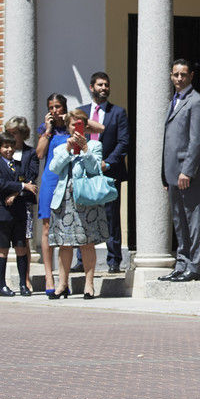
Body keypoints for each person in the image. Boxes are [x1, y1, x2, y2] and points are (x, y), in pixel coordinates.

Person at [47, 109, 109, 300]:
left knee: (87, 243)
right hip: (64, 199)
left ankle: (89, 285)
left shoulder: (94, 145)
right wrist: (68, 149)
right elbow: (54, 168)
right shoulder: (60, 147)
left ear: (86, 126)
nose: (76, 128)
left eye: (80, 124)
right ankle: (62, 284)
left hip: (86, 199)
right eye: (73, 124)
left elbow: (95, 169)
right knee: (64, 244)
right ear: (68, 127)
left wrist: (85, 149)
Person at [159, 59, 200, 282]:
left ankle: (196, 266)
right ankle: (182, 264)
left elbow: (197, 140)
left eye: (183, 74)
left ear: (191, 76)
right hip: (172, 172)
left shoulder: (198, 102)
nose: (179, 78)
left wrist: (187, 171)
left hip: (188, 173)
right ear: (171, 76)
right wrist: (164, 174)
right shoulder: (173, 101)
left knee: (193, 220)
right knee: (179, 221)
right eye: (175, 74)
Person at [76, 72, 129, 274]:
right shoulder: (81, 112)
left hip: (109, 171)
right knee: (83, 214)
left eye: (106, 85)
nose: (104, 88)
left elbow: (123, 142)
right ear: (91, 87)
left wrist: (107, 163)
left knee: (111, 216)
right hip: (84, 171)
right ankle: (81, 259)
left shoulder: (118, 113)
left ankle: (114, 259)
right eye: (100, 85)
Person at [0, 132, 37, 297]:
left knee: (21, 247)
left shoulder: (18, 165)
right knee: (2, 248)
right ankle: (1, 285)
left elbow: (27, 183)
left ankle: (23, 284)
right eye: (5, 147)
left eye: (11, 146)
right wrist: (22, 186)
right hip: (2, 212)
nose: (9, 150)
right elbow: (1, 184)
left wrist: (16, 193)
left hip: (19, 211)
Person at [36, 94, 69, 296]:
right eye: (51, 107)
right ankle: (49, 276)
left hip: (68, 181)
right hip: (50, 180)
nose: (55, 111)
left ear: (64, 107)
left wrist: (70, 120)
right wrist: (48, 130)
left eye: (58, 106)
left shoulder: (72, 125)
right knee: (47, 227)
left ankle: (64, 279)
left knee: (66, 228)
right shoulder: (45, 130)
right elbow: (40, 154)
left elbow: (97, 129)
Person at [1, 117, 38, 291]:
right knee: (2, 242)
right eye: (8, 133)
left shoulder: (30, 153)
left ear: (22, 133)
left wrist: (16, 191)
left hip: (23, 202)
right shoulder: (1, 153)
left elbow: (30, 177)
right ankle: (0, 280)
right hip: (5, 202)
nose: (11, 137)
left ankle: (26, 278)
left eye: (14, 133)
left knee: (24, 241)